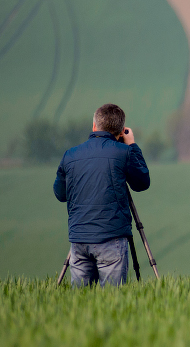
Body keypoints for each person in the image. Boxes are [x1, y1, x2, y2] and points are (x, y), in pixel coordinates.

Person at [53, 103, 150, 286]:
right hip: (112, 238)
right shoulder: (124, 152)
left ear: (94, 126)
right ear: (122, 131)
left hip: (79, 239)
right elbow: (142, 182)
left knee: (79, 303)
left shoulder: (70, 155)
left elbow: (60, 194)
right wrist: (133, 145)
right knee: (112, 303)